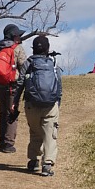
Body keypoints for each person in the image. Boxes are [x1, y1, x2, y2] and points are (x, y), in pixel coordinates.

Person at [12, 35, 62, 177]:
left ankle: (34, 161)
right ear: (48, 48)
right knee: (49, 135)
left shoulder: (29, 63)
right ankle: (47, 164)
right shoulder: (53, 63)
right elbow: (59, 87)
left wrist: (15, 103)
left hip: (31, 105)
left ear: (34, 49)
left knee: (35, 131)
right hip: (50, 105)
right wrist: (57, 103)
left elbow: (20, 83)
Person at [0, 24, 27, 153]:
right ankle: (8, 143)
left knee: (3, 112)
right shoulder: (17, 48)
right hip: (12, 87)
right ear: (13, 35)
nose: (19, 36)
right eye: (18, 34)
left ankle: (2, 141)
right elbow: (24, 67)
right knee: (12, 113)